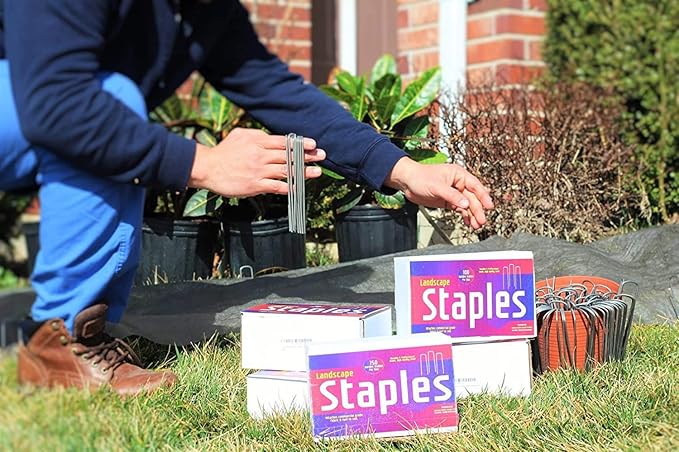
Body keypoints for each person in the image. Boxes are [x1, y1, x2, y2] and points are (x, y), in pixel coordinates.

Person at [0, 0, 493, 395]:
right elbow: (58, 104)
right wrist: (206, 164)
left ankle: (70, 337)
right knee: (109, 101)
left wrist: (403, 171)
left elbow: (278, 93)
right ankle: (61, 337)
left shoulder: (204, 10)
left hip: (38, 112)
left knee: (110, 106)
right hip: (29, 103)